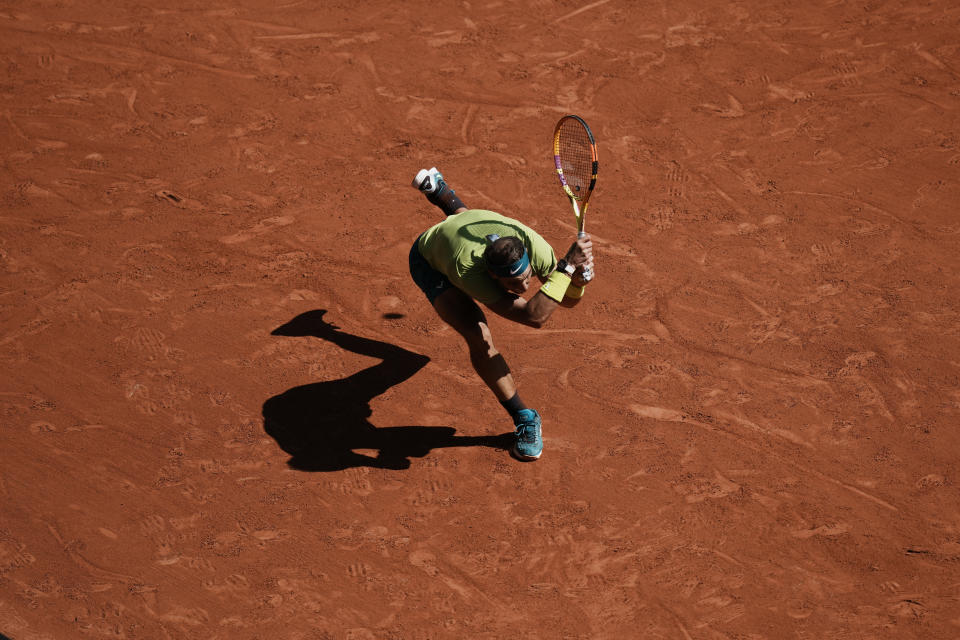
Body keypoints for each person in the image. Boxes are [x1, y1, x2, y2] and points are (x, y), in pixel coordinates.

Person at [408, 167, 594, 461]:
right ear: (491, 276)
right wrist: (568, 269)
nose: (522, 286)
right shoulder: (467, 270)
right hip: (429, 259)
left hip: (469, 227)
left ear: (529, 259)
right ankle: (524, 418)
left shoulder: (536, 248)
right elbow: (534, 316)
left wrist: (578, 281)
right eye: (511, 284)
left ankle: (441, 194)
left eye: (526, 277)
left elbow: (568, 301)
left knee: (463, 222)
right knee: (478, 336)